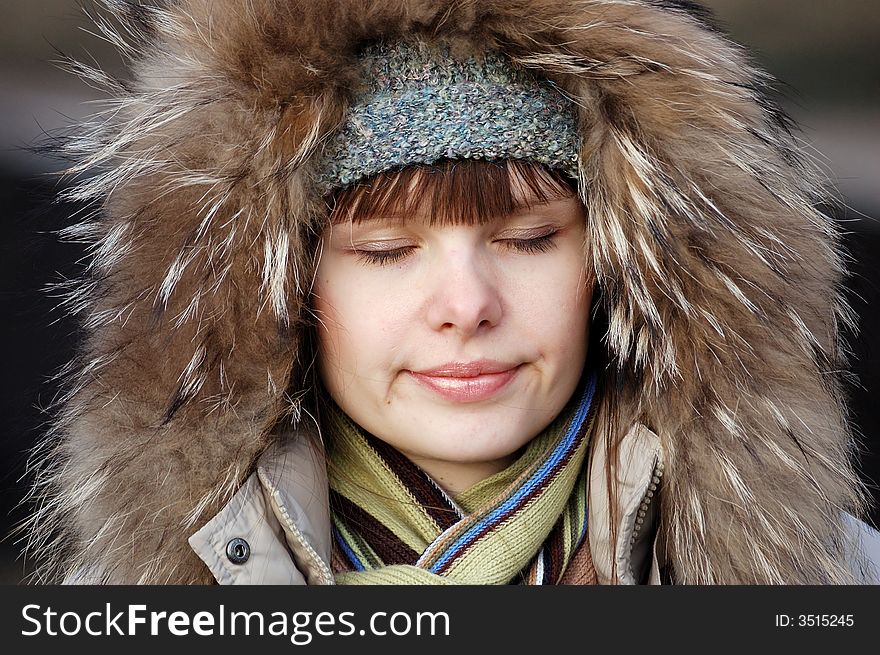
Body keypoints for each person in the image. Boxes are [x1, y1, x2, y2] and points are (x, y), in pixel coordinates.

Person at [20, 0, 880, 585]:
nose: (466, 304)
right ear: (281, 288)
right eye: (388, 251)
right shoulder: (131, 596)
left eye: (530, 238)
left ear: (622, 261)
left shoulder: (830, 576)